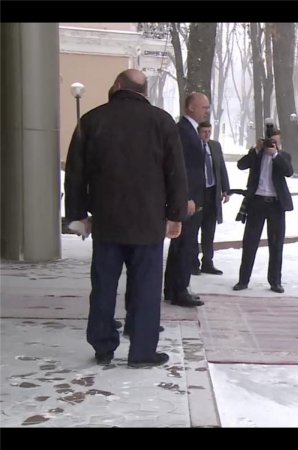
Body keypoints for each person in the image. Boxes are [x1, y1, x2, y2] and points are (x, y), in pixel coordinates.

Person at [64, 69, 188, 367]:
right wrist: (175, 215)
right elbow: (176, 172)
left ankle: (103, 345)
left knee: (104, 286)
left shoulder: (92, 120)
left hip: (107, 220)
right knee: (146, 288)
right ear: (144, 91)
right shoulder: (161, 121)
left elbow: (76, 174)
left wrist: (78, 216)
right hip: (148, 221)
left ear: (117, 86)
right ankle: (142, 351)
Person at [232, 128, 294, 293]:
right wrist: (256, 149)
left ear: (279, 142)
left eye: (274, 141)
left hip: (276, 204)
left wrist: (274, 154)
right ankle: (243, 280)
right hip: (257, 203)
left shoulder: (283, 157)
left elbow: (289, 172)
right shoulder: (256, 156)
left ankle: (275, 282)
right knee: (250, 243)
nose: (271, 144)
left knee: (276, 244)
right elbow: (241, 165)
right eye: (269, 141)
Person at [163, 93, 210, 308]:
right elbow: (182, 169)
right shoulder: (183, 131)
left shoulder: (191, 130)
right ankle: (179, 289)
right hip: (188, 200)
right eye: (203, 107)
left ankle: (174, 288)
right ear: (191, 107)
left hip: (193, 198)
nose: (206, 111)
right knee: (185, 245)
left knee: (182, 244)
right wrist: (187, 198)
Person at [194, 121, 230, 275]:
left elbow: (221, 167)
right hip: (197, 195)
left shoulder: (215, 146)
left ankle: (208, 262)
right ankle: (192, 263)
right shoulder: (193, 147)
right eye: (204, 132)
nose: (207, 134)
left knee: (209, 231)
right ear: (198, 132)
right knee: (194, 230)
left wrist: (226, 190)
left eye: (209, 131)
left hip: (212, 194)